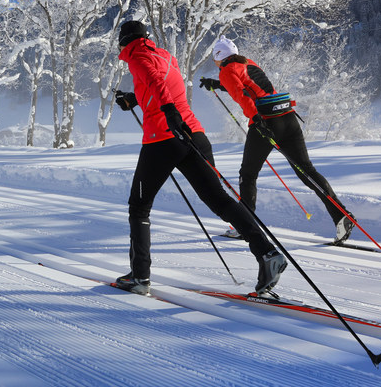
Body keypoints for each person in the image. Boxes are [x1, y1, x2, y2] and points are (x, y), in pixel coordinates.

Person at [113, 20, 286, 296]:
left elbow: (156, 83)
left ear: (124, 41)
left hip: (163, 138)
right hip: (194, 133)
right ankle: (267, 254)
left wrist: (168, 112)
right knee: (219, 199)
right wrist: (135, 100)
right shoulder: (164, 56)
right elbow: (163, 85)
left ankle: (139, 276)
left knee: (139, 206)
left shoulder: (137, 55)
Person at [199, 36, 355, 244]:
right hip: (288, 118)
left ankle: (245, 224)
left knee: (248, 174)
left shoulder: (225, 70)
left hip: (265, 122)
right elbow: (249, 87)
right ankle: (340, 215)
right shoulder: (248, 62)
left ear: (219, 56)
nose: (215, 63)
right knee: (307, 171)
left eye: (214, 58)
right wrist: (217, 85)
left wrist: (256, 120)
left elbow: (242, 95)